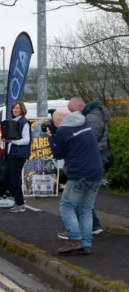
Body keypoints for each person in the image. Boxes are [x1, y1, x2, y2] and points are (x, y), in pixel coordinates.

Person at [49, 107, 104, 255]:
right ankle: (86, 243)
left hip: (79, 174)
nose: (54, 125)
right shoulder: (85, 124)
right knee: (85, 208)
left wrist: (51, 136)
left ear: (59, 120)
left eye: (54, 122)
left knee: (67, 206)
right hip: (96, 172)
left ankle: (74, 240)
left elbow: (58, 154)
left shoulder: (62, 131)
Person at [67, 97, 112, 235]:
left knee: (81, 193)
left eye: (73, 110)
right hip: (95, 157)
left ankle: (89, 227)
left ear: (80, 105)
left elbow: (90, 137)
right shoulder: (93, 114)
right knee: (83, 194)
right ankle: (91, 225)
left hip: (93, 158)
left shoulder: (92, 116)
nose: (74, 114)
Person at [3, 101, 30, 213]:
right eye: (14, 108)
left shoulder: (24, 122)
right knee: (7, 178)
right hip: (12, 153)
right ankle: (18, 200)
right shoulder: (13, 122)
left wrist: (13, 142)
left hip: (19, 154)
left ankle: (20, 202)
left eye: (18, 108)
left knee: (14, 178)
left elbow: (26, 140)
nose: (15, 110)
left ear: (22, 109)